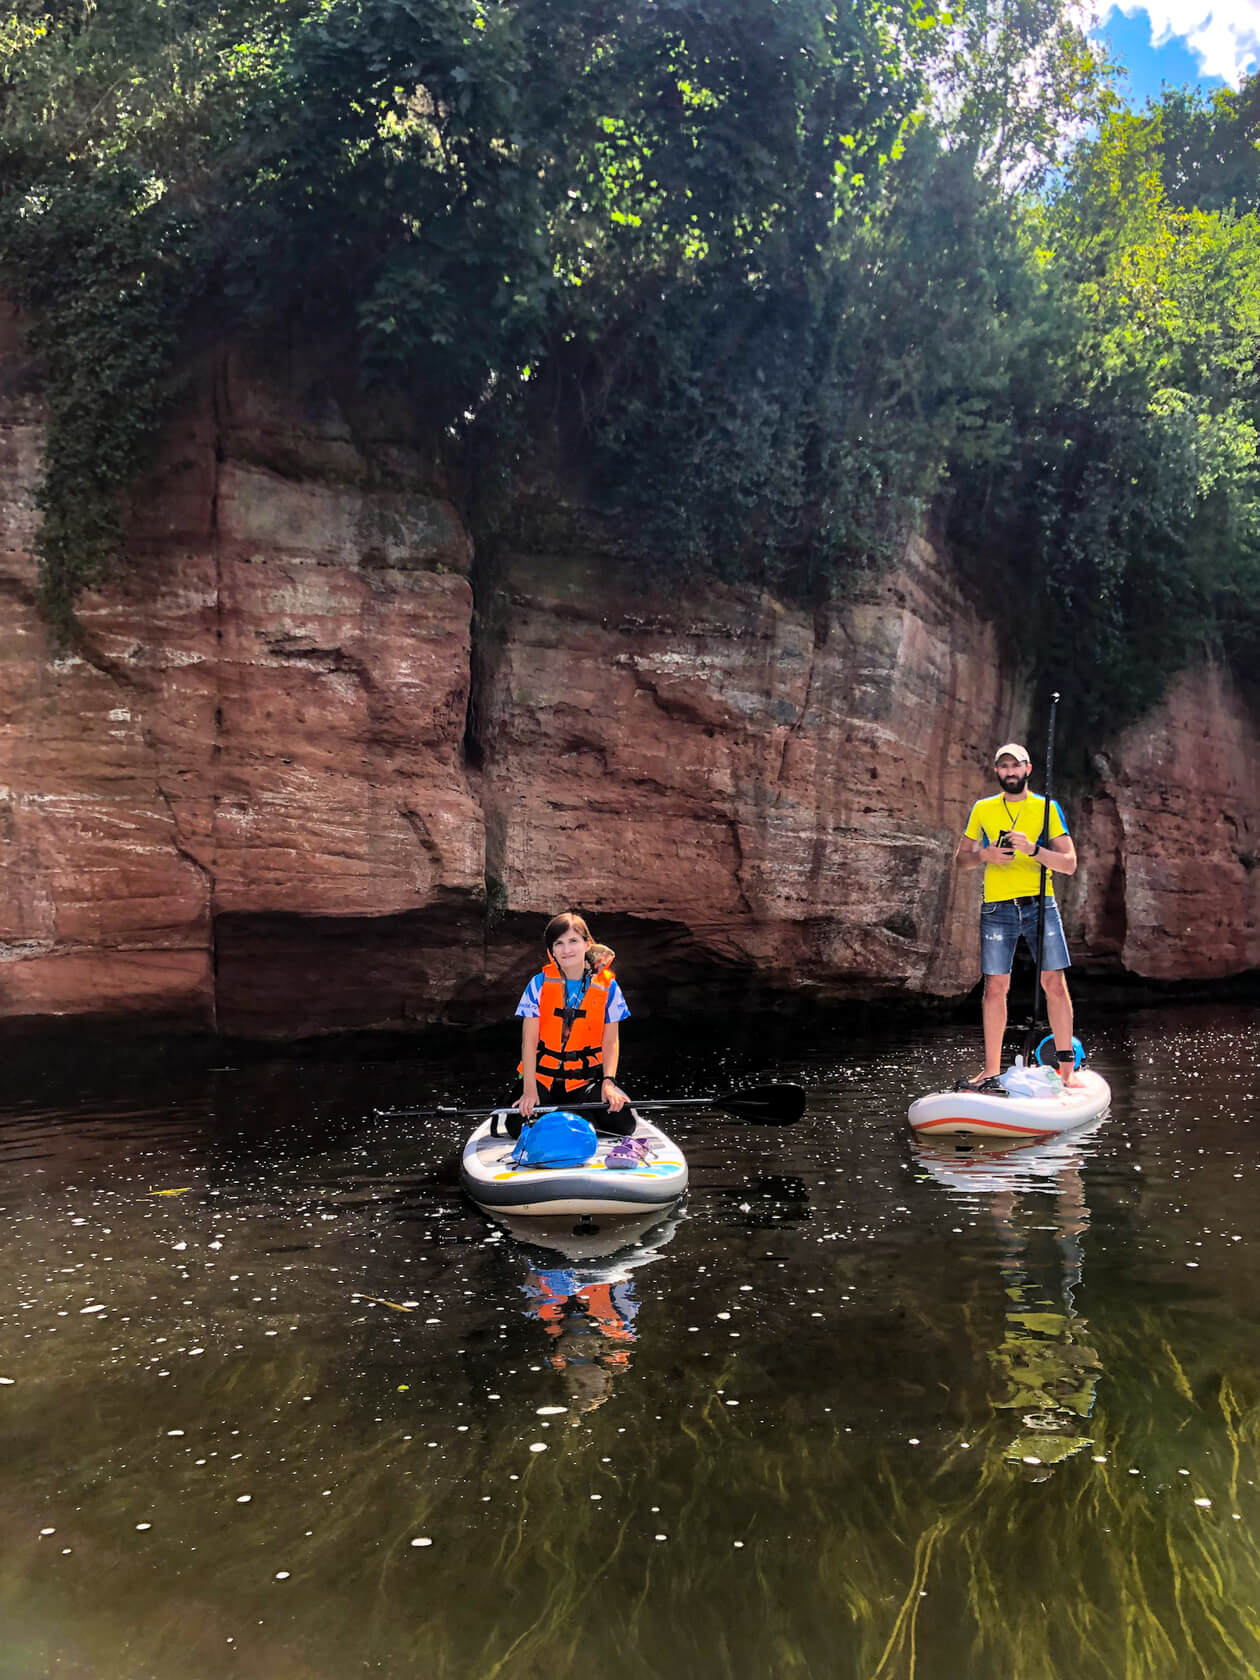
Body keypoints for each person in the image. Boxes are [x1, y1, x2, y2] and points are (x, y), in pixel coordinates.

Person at [954, 741, 1080, 1090]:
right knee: (995, 987)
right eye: (1004, 766)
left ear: (1027, 769)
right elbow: (961, 860)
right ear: (997, 771)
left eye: (1016, 765)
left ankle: (1067, 1070)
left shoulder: (1046, 808)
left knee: (1053, 983)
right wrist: (985, 855)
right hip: (997, 906)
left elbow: (1069, 863)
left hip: (1041, 902)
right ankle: (991, 1070)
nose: (1010, 771)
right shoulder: (982, 809)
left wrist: (1033, 849)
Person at [514, 911, 634, 1132]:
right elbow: (529, 1042)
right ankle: (572, 1117)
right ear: (551, 950)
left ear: (587, 944)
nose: (566, 949)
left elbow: (611, 1042)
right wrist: (529, 1088)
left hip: (584, 1081)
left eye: (573, 941)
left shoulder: (609, 987)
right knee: (517, 1124)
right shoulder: (537, 984)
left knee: (623, 1125)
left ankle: (578, 1116)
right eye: (558, 943)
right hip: (542, 1079)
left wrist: (609, 1082)